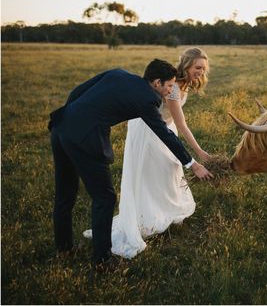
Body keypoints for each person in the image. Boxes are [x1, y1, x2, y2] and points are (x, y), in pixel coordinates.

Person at [49, 59, 213, 267]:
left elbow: (78, 91)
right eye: (169, 85)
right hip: (85, 137)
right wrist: (193, 164)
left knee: (65, 194)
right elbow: (164, 133)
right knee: (105, 198)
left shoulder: (118, 73)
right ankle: (103, 260)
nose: (172, 90)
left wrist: (73, 113)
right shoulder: (148, 100)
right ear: (156, 83)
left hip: (60, 125)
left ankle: (63, 250)